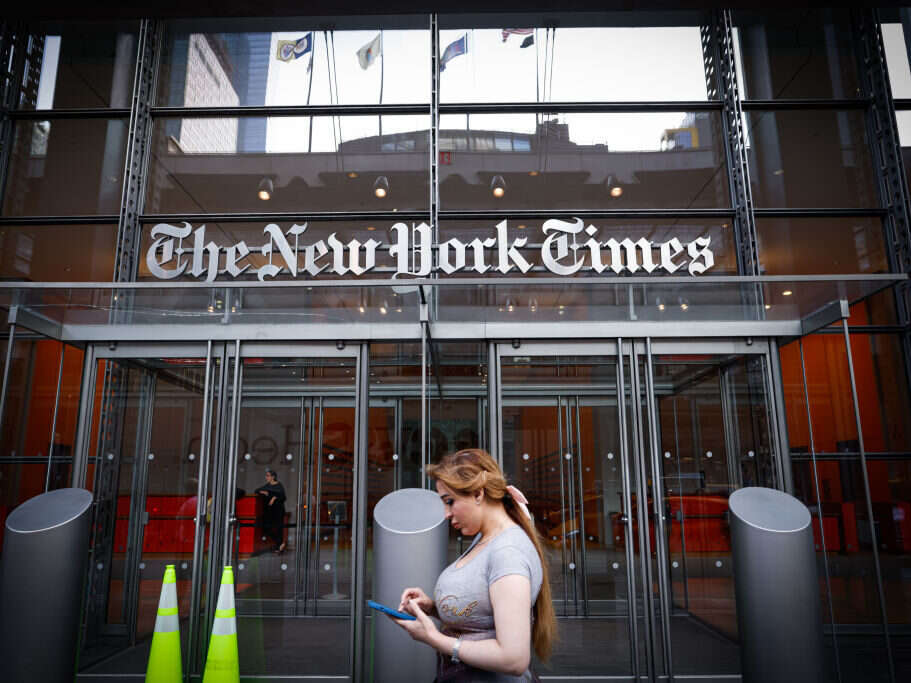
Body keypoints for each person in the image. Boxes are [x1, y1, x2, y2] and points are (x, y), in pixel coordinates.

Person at [393, 448, 556, 682]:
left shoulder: (508, 552)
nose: (446, 514)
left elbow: (514, 659)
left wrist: (433, 638)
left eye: (450, 502)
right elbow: (485, 613)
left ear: (478, 494)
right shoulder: (486, 538)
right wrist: (432, 607)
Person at [254, 469, 286, 553]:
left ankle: (279, 547)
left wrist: (273, 496)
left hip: (278, 510)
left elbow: (282, 496)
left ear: (273, 477)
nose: (266, 477)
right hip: (269, 511)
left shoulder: (279, 485)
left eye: (268, 475)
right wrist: (266, 493)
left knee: (279, 529)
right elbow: (257, 490)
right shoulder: (267, 486)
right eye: (266, 475)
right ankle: (280, 544)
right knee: (266, 529)